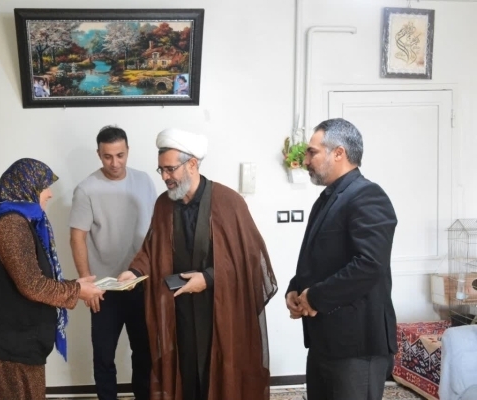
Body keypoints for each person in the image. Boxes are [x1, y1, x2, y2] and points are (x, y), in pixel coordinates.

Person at [118, 128, 278, 400]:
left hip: (220, 310)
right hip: (179, 310)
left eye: (170, 169)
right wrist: (133, 272)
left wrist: (209, 278)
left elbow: (250, 260)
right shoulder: (163, 205)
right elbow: (151, 249)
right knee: (186, 374)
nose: (165, 177)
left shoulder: (228, 202)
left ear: (192, 164)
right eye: (161, 170)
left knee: (218, 375)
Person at [0, 158, 104, 400]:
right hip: (1, 349)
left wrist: (76, 286)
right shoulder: (11, 225)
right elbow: (32, 284)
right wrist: (76, 290)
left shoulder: (19, 221)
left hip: (10, 343)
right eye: (44, 186)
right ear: (27, 187)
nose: (50, 194)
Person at [285, 118, 398, 400]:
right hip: (325, 339)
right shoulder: (328, 198)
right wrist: (295, 288)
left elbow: (369, 265)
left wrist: (315, 297)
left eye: (312, 152)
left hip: (356, 345)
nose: (306, 160)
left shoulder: (368, 195)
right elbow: (321, 257)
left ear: (339, 153)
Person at [69, 126, 156, 400]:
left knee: (144, 352)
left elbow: (157, 230)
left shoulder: (144, 181)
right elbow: (77, 238)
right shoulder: (86, 189)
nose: (115, 163)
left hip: (141, 282)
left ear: (128, 151)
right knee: (104, 355)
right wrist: (86, 284)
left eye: (120, 155)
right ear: (99, 154)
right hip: (104, 288)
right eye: (107, 156)